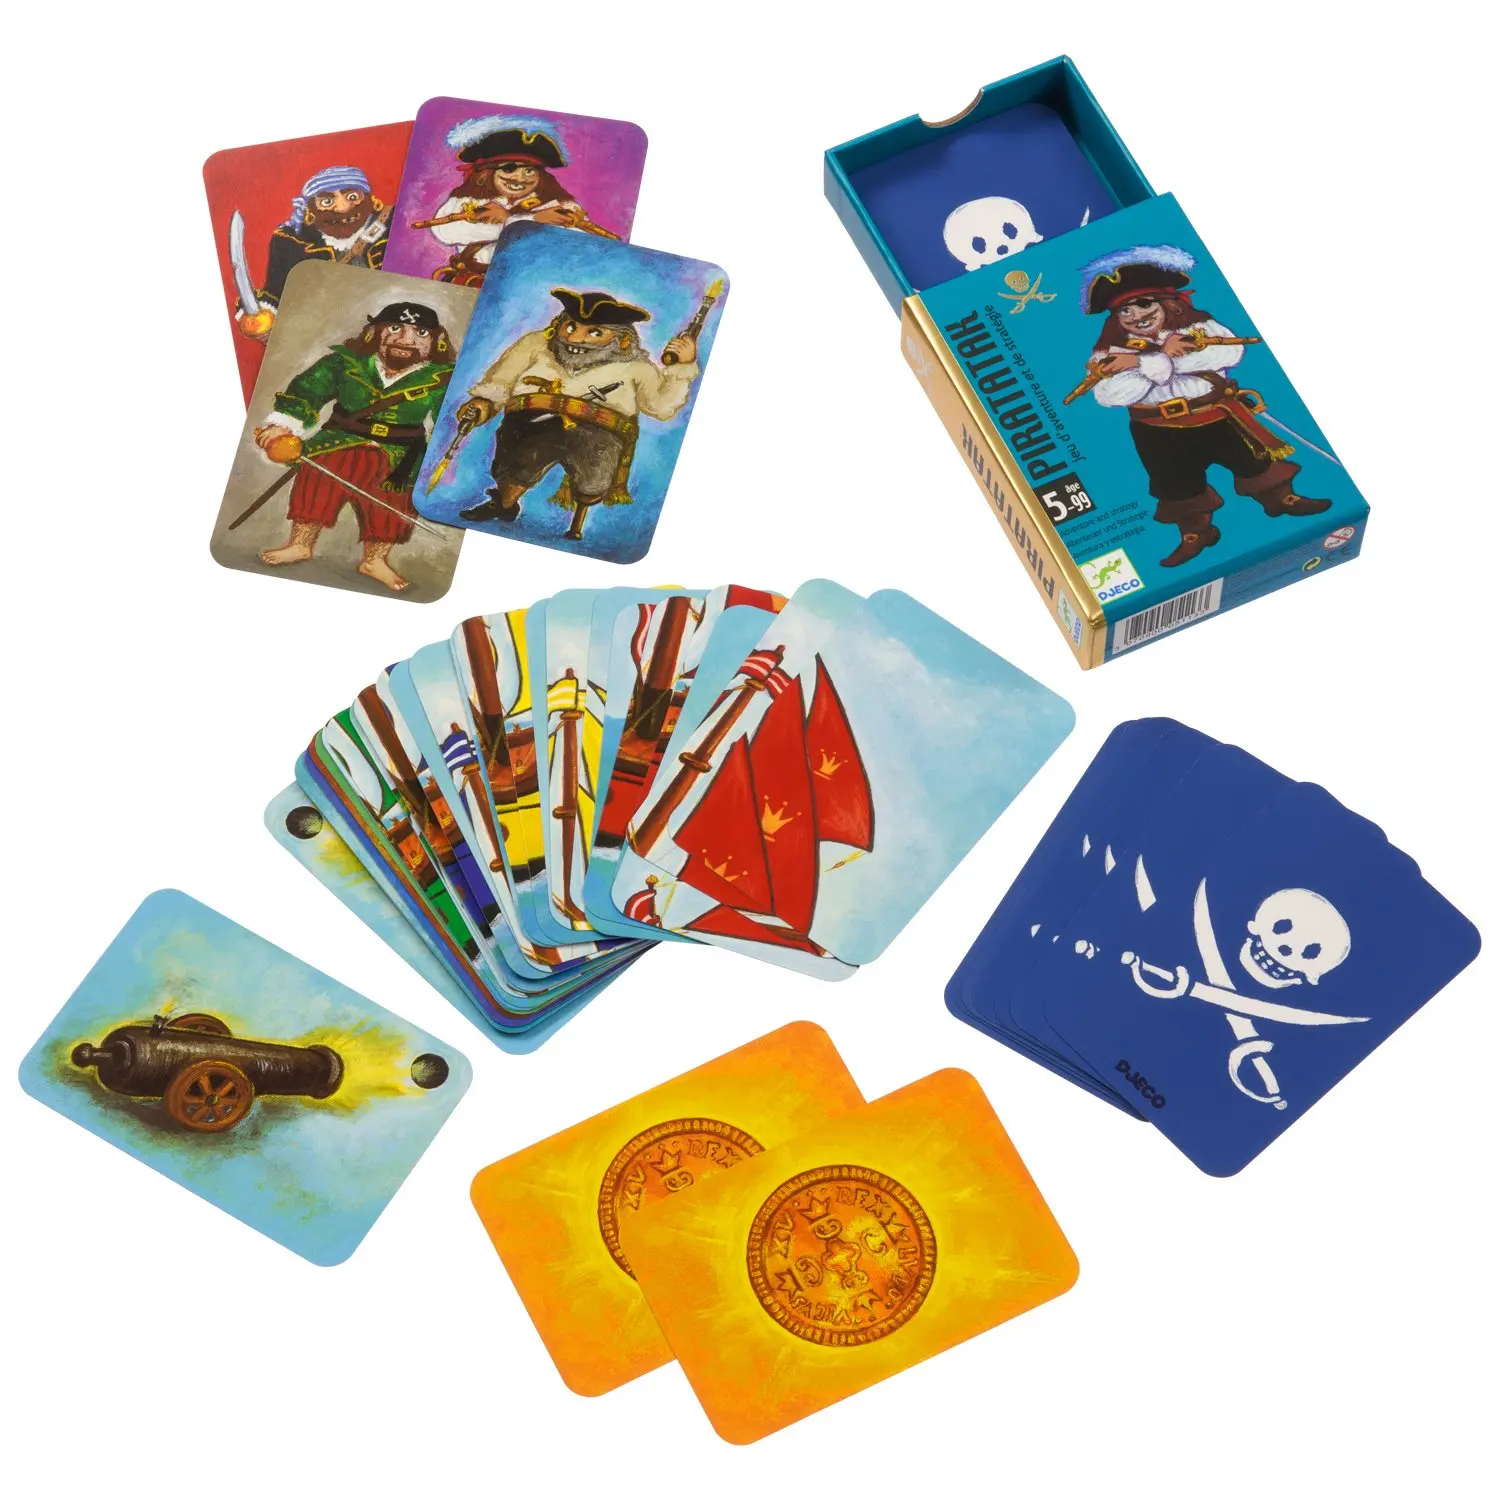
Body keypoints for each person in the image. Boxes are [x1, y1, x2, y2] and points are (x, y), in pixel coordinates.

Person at [1083, 246, 1330, 567]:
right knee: (1176, 486)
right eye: (1124, 311)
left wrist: (1144, 365)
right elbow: (1110, 395)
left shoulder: (1198, 327)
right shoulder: (1111, 353)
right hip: (1156, 430)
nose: (1136, 316)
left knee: (1254, 462)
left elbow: (1227, 354)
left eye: (1144, 304)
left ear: (1166, 302)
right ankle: (1195, 533)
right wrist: (1159, 358)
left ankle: (1282, 499)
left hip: (1214, 415)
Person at [453, 288, 699, 540]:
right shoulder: (535, 345)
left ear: (622, 339)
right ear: (557, 323)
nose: (576, 338)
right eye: (570, 327)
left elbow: (661, 408)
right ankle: (505, 502)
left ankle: (580, 513)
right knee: (516, 455)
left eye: (595, 332)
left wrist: (683, 366)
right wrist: (484, 403)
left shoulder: (637, 367)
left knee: (594, 471)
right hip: (529, 423)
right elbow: (502, 380)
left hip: (599, 433)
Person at [253, 301, 455, 592]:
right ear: (375, 331)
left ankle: (374, 561)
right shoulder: (344, 363)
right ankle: (300, 544)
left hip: (400, 454)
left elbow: (447, 420)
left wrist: (445, 453)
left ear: (436, 341)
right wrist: (282, 426)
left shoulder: (442, 378)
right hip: (339, 440)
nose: (405, 339)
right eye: (395, 328)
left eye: (420, 332)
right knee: (316, 485)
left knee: (392, 505)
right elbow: (307, 392)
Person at [421, 119, 615, 287]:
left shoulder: (561, 205)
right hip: (476, 282)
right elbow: (446, 232)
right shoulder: (467, 201)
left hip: (533, 286)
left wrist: (514, 221)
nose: (520, 178)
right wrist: (529, 222)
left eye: (529, 171)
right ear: (486, 173)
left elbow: (580, 245)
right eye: (509, 169)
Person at [239, 166, 389, 340]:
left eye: (352, 197)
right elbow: (276, 295)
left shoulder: (393, 224)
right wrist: (264, 318)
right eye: (327, 201)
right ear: (309, 209)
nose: (342, 208)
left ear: (370, 199)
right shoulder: (290, 242)